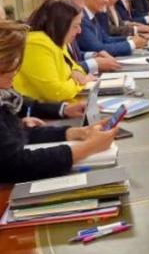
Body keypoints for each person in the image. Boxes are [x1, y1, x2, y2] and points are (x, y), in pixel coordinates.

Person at [0, 20, 118, 183]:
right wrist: (87, 148)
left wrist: (77, 133)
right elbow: (13, 164)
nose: (17, 70)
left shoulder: (4, 96)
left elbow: (17, 137)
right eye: (12, 62)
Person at [14, 0, 90, 101]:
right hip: (40, 109)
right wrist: (79, 82)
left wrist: (76, 74)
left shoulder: (57, 41)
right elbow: (56, 93)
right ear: (61, 26)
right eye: (75, 26)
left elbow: (76, 67)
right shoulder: (37, 44)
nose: (79, 31)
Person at [48, 0, 121, 74]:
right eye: (78, 9)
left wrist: (93, 55)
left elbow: (75, 55)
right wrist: (95, 63)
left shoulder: (70, 27)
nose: (82, 14)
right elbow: (65, 69)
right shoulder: (49, 36)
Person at [77, 0, 146, 57]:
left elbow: (106, 39)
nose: (106, 0)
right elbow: (98, 48)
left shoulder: (92, 14)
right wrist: (132, 44)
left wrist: (130, 39)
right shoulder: (81, 18)